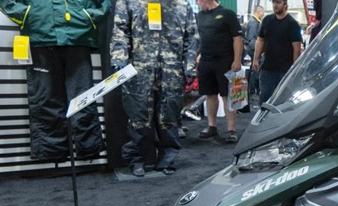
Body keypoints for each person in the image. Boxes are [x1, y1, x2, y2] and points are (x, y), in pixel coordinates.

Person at [0, 0, 108, 163]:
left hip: (77, 37)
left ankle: (89, 149)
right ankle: (50, 152)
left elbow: (105, 3)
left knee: (82, 99)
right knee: (46, 98)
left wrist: (89, 17)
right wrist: (27, 15)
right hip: (41, 35)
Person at [111, 0, 197, 176]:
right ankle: (136, 160)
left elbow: (192, 36)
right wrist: (119, 59)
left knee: (169, 118)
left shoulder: (182, 4)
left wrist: (190, 66)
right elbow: (120, 30)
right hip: (139, 71)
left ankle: (167, 160)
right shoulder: (129, 2)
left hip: (172, 71)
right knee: (139, 118)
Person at [195, 0, 243, 143]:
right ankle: (212, 126)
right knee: (210, 94)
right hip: (206, 61)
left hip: (225, 61)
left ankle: (231, 130)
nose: (197, 3)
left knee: (228, 96)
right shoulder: (199, 16)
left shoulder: (228, 14)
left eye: (198, 0)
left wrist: (237, 60)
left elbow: (238, 39)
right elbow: (201, 39)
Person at [252, 0, 302, 107]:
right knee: (265, 99)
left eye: (278, 2)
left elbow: (296, 49)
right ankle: (263, 123)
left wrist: (294, 70)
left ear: (285, 5)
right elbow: (260, 40)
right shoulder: (267, 20)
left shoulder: (292, 24)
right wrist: (255, 59)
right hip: (267, 68)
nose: (275, 5)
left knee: (282, 102)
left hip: (285, 70)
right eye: (274, 2)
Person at [244, 5, 266, 94]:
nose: (263, 15)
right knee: (256, 70)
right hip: (254, 51)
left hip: (254, 50)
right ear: (258, 12)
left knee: (255, 70)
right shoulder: (254, 23)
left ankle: (253, 89)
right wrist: (258, 52)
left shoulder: (255, 22)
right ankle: (252, 90)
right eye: (262, 13)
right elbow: (252, 39)